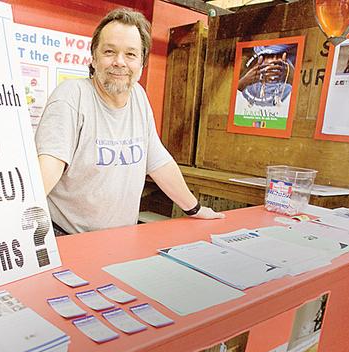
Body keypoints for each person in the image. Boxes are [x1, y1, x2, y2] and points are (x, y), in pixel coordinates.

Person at [34, 8, 224, 235]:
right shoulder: (71, 96)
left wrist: (195, 208)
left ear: (142, 62)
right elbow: (47, 169)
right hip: (67, 236)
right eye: (109, 52)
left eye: (131, 54)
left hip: (121, 238)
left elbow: (158, 161)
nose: (119, 62)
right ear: (93, 58)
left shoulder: (138, 97)